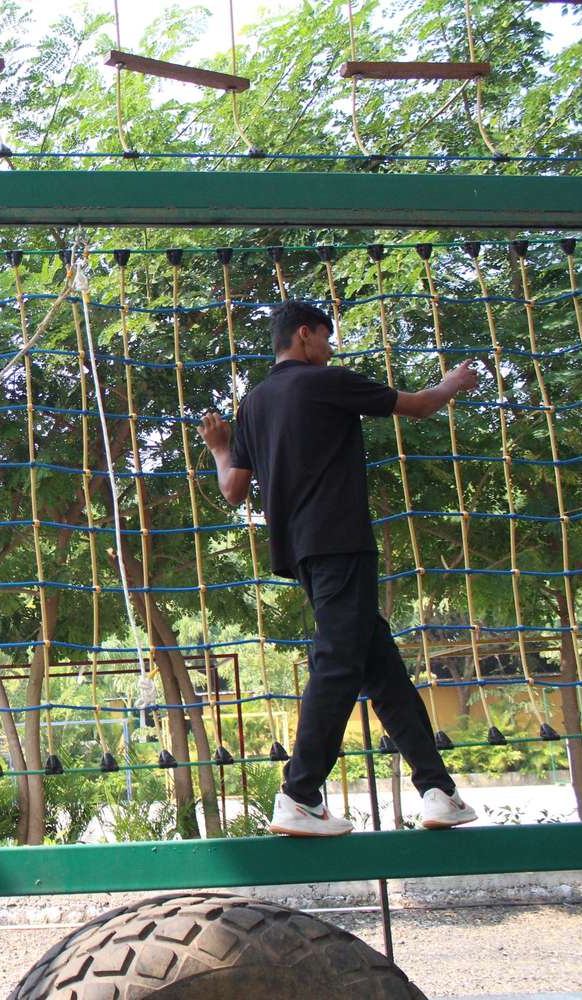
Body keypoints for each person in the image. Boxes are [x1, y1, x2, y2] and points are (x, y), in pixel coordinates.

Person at [197, 300, 481, 837]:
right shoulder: (323, 382)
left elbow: (232, 491)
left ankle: (437, 790)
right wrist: (452, 382)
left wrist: (218, 449)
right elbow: (418, 406)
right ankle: (299, 794)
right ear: (304, 336)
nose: (331, 350)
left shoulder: (253, 405)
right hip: (341, 540)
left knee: (379, 664)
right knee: (337, 661)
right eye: (326, 338)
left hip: (300, 551)